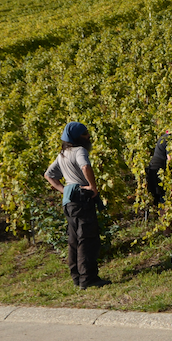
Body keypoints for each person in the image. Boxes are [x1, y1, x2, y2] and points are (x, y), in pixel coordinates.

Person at [43, 120, 106, 289]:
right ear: (79, 137)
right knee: (86, 237)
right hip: (81, 198)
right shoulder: (80, 151)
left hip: (69, 200)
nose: (88, 136)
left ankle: (77, 277)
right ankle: (88, 278)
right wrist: (92, 186)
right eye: (85, 134)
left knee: (74, 239)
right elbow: (85, 167)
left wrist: (64, 189)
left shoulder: (62, 154)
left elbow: (48, 175)